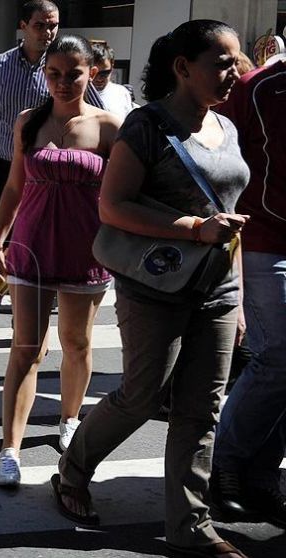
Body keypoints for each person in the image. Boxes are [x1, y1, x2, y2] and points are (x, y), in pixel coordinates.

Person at [53, 21, 251, 558]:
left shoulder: (227, 128)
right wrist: (193, 227)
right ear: (183, 68)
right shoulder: (148, 126)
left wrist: (238, 296)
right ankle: (72, 470)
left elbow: (231, 217)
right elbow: (113, 206)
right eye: (222, 61)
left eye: (236, 61)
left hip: (217, 288)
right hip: (154, 286)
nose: (234, 72)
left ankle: (191, 523)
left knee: (202, 407)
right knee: (142, 395)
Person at [0, 35, 120, 487]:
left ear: (92, 73)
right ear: (45, 75)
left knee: (77, 344)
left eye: (73, 73)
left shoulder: (108, 127)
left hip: (86, 249)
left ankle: (69, 420)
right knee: (26, 347)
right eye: (55, 73)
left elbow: (124, 194)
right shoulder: (29, 121)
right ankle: (10, 450)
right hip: (32, 247)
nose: (63, 82)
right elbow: (12, 187)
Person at [0, 0, 103, 357]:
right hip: (1, 167)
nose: (48, 32)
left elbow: (95, 114)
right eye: (40, 25)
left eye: (53, 25)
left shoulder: (64, 65)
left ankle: (28, 325)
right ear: (23, 26)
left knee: (37, 250)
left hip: (47, 173)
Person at [212, 56, 286, 528]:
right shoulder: (259, 87)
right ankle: (225, 467)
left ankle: (259, 473)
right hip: (265, 240)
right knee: (278, 355)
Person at [91, 42, 136, 117]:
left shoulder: (122, 93)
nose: (99, 79)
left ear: (112, 66)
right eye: (94, 73)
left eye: (105, 73)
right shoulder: (78, 94)